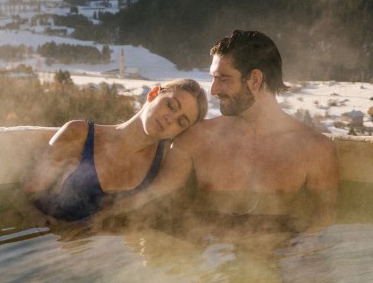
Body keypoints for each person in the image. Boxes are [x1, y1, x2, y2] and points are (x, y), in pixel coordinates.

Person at [108, 30, 339, 228]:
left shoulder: (314, 149)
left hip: (278, 261)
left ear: (255, 80)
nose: (214, 90)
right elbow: (150, 200)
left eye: (223, 79)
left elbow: (324, 224)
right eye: (213, 78)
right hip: (207, 261)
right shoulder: (196, 140)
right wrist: (92, 225)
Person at [23, 77, 208, 222]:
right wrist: (39, 223)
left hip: (98, 257)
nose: (170, 118)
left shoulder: (164, 163)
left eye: (181, 122)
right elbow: (28, 196)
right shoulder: (78, 134)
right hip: (48, 244)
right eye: (171, 105)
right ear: (152, 94)